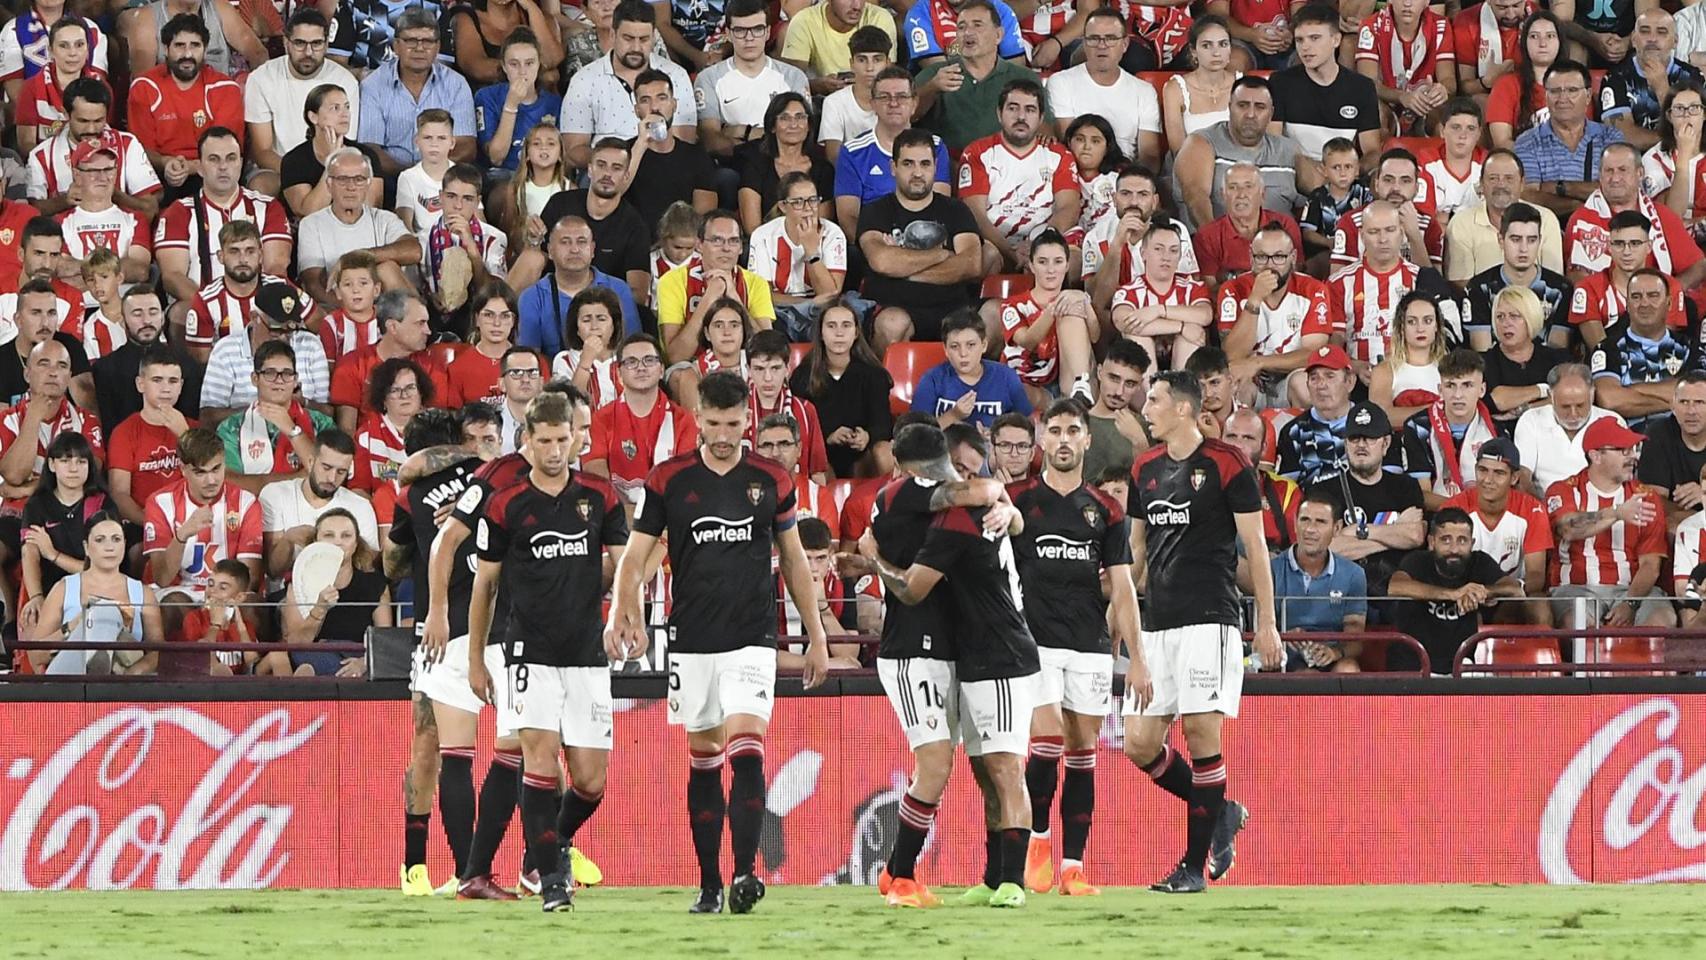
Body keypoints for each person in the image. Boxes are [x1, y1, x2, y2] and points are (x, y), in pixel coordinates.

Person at [606, 371, 830, 914]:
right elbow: (635, 556)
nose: (724, 434)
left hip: (752, 638)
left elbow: (795, 559)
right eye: (714, 423)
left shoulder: (771, 479)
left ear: (746, 420)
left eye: (733, 423)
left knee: (748, 753)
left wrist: (816, 634)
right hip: (693, 639)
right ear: (698, 420)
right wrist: (623, 606)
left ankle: (746, 874)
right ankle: (709, 882)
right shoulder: (668, 480)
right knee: (704, 759)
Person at [864, 435, 1041, 908]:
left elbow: (915, 587)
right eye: (960, 468)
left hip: (999, 655)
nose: (966, 478)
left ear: (902, 464)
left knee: (999, 767)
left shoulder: (957, 518)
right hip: (936, 653)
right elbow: (981, 495)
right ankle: (920, 877)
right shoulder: (909, 498)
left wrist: (1008, 507)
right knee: (965, 767)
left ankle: (1006, 881)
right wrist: (1004, 502)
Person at [466, 389, 625, 912]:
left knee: (589, 780)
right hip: (527, 650)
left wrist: (634, 616)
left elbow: (627, 565)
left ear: (577, 438)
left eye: (564, 439)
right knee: (537, 760)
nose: (556, 450)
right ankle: (553, 879)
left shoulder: (600, 497)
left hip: (586, 651)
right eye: (545, 440)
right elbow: (485, 585)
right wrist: (474, 658)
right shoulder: (505, 503)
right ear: (527, 442)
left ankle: (543, 852)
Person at [1122, 370, 1276, 893]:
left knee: (1200, 736)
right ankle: (1221, 810)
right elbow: (1136, 553)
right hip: (1157, 624)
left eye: (1156, 400)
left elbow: (1255, 547)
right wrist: (1118, 614)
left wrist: (1268, 626)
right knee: (1140, 744)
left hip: (1210, 618)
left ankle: (1192, 867)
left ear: (1183, 409)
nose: (1147, 407)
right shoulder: (1142, 467)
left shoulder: (1226, 463)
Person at [1003, 399, 1135, 897]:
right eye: (1053, 430)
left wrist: (1136, 657)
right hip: (1032, 642)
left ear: (1085, 440)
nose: (1061, 439)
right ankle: (1038, 840)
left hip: (1089, 644)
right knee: (1048, 738)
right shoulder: (1016, 501)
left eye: (1071, 430)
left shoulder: (1106, 509)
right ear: (1042, 442)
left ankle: (1074, 866)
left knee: (1083, 753)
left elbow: (1122, 587)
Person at [383, 410, 509, 899]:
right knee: (518, 738)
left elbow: (390, 564)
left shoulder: (415, 493)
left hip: (445, 627)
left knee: (432, 746)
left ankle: (420, 864)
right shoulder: (485, 477)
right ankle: (542, 857)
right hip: (463, 624)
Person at [858, 130, 983, 349]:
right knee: (892, 323)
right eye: (908, 164)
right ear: (893, 167)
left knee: (996, 314)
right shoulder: (875, 211)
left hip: (954, 308)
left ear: (935, 166)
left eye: (925, 164)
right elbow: (882, 261)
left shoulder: (956, 210)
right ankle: (886, 384)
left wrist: (902, 268)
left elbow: (971, 264)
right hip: (894, 307)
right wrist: (941, 254)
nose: (917, 173)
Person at [1546, 416, 1674, 628]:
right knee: (1576, 624)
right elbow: (1568, 529)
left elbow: (1651, 565)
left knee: (1662, 620)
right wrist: (1617, 513)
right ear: (1596, 456)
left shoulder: (1646, 496)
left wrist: (1630, 603)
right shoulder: (1564, 490)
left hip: (1632, 590)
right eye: (1623, 450)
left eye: (1634, 449)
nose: (1633, 456)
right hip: (1576, 588)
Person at [141, 426, 263, 640]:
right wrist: (183, 534)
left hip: (229, 592)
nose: (211, 481)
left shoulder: (246, 503)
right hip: (181, 591)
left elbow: (249, 578)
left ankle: (253, 670)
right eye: (200, 472)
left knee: (252, 605)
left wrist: (219, 599)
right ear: (183, 468)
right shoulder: (160, 503)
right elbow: (162, 578)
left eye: (216, 469)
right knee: (173, 604)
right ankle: (174, 671)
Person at [1307, 401, 1428, 613]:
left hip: (1396, 595)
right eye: (1354, 438)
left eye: (1370, 437)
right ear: (1345, 444)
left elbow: (1416, 536)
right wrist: (1394, 537)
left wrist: (1359, 532)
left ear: (1386, 443)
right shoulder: (1324, 490)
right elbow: (1326, 549)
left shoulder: (1406, 486)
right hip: (1340, 593)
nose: (1361, 445)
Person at [154, 127, 293, 308]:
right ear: (200, 168)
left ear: (241, 163)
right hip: (200, 308)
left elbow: (275, 268)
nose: (223, 167)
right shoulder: (179, 212)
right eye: (214, 159)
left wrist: (250, 308)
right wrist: (213, 308)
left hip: (258, 308)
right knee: (180, 312)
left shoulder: (268, 207)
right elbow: (173, 276)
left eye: (231, 158)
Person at [958, 78, 1080, 274]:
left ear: (1041, 119)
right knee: (986, 255)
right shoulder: (977, 152)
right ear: (999, 113)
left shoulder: (1059, 155)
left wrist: (1037, 246)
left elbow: (1069, 208)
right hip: (995, 245)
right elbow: (975, 213)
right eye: (1013, 108)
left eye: (1030, 110)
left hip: (1043, 244)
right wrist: (1011, 252)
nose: (1021, 116)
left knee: (1072, 258)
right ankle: (982, 304)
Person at [561, 1, 696, 172]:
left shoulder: (676, 76)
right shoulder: (584, 80)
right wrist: (616, 162)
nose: (636, 48)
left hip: (665, 169)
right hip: (607, 172)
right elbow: (574, 150)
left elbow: (685, 141)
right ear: (613, 35)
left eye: (644, 39)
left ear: (654, 37)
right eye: (628, 39)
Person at [1389, 507, 1525, 674]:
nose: (1454, 549)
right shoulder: (1417, 560)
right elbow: (1395, 586)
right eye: (1446, 540)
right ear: (1432, 542)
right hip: (1414, 667)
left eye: (1462, 540)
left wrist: (1481, 591)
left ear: (1472, 543)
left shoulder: (1479, 561)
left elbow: (1515, 589)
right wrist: (1453, 594)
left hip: (1464, 668)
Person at [26, 513, 163, 677]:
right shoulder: (64, 588)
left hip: (123, 683)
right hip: (67, 682)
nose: (109, 547)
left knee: (105, 612)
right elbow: (35, 655)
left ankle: (100, 677)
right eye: (100, 540)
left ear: (124, 545)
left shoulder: (143, 593)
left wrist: (132, 674)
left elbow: (157, 654)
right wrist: (74, 626)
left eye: (116, 539)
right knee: (102, 611)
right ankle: (96, 675)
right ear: (86, 547)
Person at [125, 14, 246, 197]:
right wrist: (166, 163)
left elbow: (227, 150)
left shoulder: (226, 88)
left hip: (210, 171)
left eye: (195, 46)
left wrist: (189, 167)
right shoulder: (144, 87)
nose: (187, 54)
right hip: (158, 171)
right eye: (179, 46)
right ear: (165, 49)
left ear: (205, 50)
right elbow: (140, 149)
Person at [1173, 75, 1310, 230]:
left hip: (1278, 249)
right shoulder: (1201, 142)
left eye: (1260, 107)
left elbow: (1327, 186)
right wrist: (1218, 241)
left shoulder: (1288, 150)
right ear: (1230, 107)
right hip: (1218, 246)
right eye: (1243, 105)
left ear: (1271, 113)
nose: (1250, 114)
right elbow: (1195, 197)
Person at [912, 2, 1046, 158]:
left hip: (1009, 167)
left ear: (998, 35)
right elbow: (907, 115)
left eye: (977, 25)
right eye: (961, 27)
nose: (968, 32)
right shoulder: (936, 74)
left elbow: (1045, 132)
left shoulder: (1023, 77)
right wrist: (932, 88)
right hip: (948, 171)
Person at [1218, 224, 1331, 408]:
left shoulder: (1314, 290)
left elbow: (1313, 354)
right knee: (1235, 384)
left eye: (1279, 257)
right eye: (1262, 257)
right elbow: (1232, 355)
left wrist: (1259, 363)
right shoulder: (1232, 290)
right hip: (1251, 381)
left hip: (1291, 379)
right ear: (1251, 257)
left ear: (1292, 258)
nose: (1269, 266)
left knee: (1304, 384)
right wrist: (1254, 299)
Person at [1564, 142, 1706, 288]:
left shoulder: (1663, 215)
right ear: (1600, 176)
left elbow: (1698, 266)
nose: (1615, 178)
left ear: (1640, 173)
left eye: (1623, 170)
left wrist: (1668, 295)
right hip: (1605, 307)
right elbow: (1578, 279)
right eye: (1609, 171)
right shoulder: (1582, 219)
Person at [832, 69, 952, 241]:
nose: (893, 103)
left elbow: (940, 206)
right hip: (876, 246)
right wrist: (876, 246)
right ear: (872, 104)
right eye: (884, 97)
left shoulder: (935, 146)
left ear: (914, 103)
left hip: (927, 240)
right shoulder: (852, 152)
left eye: (902, 97)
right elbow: (848, 217)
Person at [296, 149, 422, 306]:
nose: (351, 187)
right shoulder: (311, 224)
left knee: (387, 268)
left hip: (383, 311)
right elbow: (313, 285)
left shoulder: (384, 219)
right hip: (338, 309)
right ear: (329, 185)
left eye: (359, 179)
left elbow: (414, 251)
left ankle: (414, 325)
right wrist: (355, 316)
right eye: (342, 179)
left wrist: (360, 257)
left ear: (368, 184)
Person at [356, 10, 475, 176]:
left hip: (443, 177)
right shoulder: (373, 85)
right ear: (396, 46)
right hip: (391, 176)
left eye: (427, 41)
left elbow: (466, 146)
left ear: (438, 47)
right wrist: (411, 177)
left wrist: (428, 176)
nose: (420, 48)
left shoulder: (456, 84)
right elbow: (370, 149)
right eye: (411, 41)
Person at [243, 9, 361, 175]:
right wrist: (298, 176)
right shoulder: (261, 78)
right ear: (286, 42)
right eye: (300, 43)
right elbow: (263, 151)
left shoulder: (345, 82)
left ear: (327, 44)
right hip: (278, 168)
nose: (308, 52)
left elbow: (346, 143)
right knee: (262, 185)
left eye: (316, 43)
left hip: (330, 167)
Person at [257, 428, 375, 593]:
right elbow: (273, 570)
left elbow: (367, 568)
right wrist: (288, 540)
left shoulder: (360, 506)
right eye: (326, 468)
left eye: (341, 472)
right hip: (287, 597)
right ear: (311, 462)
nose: (332, 478)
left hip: (344, 595)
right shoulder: (275, 494)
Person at [26, 77, 161, 221]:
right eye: (83, 121)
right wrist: (64, 201)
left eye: (98, 121)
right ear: (65, 114)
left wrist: (113, 194)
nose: (91, 129)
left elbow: (150, 210)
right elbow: (30, 214)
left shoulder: (127, 144)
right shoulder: (40, 156)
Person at [585, 334, 699, 503]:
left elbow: (685, 482)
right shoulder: (600, 419)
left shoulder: (683, 421)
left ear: (661, 370)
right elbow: (595, 475)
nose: (641, 367)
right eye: (631, 362)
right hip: (618, 517)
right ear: (619, 374)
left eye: (649, 360)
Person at [18, 432, 113, 633]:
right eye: (65, 461)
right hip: (48, 588)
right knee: (32, 619)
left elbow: (101, 570)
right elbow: (30, 553)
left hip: (95, 590)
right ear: (52, 465)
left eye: (81, 462)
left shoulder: (102, 504)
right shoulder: (37, 505)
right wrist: (36, 597)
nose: (73, 468)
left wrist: (53, 554)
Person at [695, 0, 810, 167]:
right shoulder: (708, 78)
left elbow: (801, 135)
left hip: (784, 166)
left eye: (757, 29)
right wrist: (772, 137)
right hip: (734, 165)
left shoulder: (793, 77)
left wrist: (744, 132)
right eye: (740, 30)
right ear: (728, 34)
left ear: (768, 32)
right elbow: (712, 141)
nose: (749, 38)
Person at [532, 138, 651, 299]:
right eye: (601, 165)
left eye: (616, 168)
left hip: (602, 307)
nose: (607, 174)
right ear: (589, 169)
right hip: (552, 296)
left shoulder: (635, 226)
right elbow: (536, 256)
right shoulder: (560, 203)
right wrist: (531, 238)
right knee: (531, 257)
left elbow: (638, 293)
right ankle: (503, 314)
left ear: (626, 176)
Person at [182, 220, 316, 363]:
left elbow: (318, 321)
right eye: (234, 251)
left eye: (250, 251)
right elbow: (202, 361)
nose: (243, 259)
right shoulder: (206, 301)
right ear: (221, 256)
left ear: (260, 255)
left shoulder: (281, 287)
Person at [1045, 7, 1161, 170]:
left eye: (1110, 38)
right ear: (1084, 43)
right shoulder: (1060, 82)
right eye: (1094, 38)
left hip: (1125, 177)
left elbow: (1149, 155)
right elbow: (1069, 143)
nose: (1102, 45)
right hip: (1078, 175)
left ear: (1125, 44)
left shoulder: (1144, 91)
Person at [1590, 267, 1706, 429]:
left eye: (1653, 296)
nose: (1644, 303)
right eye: (1636, 297)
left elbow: (1700, 395)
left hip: (1679, 443)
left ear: (1669, 303)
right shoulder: (1607, 348)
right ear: (1628, 305)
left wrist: (1630, 391)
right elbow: (1610, 400)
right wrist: (1679, 400)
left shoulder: (1691, 348)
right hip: (1627, 446)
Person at [1441, 437, 1554, 602]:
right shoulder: (1454, 507)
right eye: (1482, 470)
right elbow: (1443, 566)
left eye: (1499, 473)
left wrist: (1495, 591)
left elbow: (1536, 576)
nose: (1488, 480)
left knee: (1539, 604)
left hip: (1512, 596)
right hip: (1463, 595)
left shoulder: (1532, 509)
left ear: (1514, 478)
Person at [280, 508, 390, 676]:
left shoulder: (375, 585)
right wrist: (319, 609)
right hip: (315, 656)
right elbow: (296, 644)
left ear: (356, 544)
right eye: (329, 535)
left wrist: (364, 663)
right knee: (309, 664)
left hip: (360, 659)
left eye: (346, 536)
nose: (337, 542)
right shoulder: (298, 585)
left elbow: (384, 641)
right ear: (316, 541)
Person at [789, 303, 894, 478]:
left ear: (856, 333)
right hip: (821, 455)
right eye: (831, 326)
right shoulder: (802, 376)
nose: (839, 333)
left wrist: (867, 436)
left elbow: (883, 423)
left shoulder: (874, 375)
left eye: (846, 325)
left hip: (863, 456)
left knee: (882, 450)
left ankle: (889, 502)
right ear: (821, 333)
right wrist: (828, 436)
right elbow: (799, 426)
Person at [326, 289, 452, 433]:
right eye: (420, 323)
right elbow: (347, 430)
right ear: (392, 326)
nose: (428, 331)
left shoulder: (432, 364)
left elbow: (437, 423)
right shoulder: (352, 365)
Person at [1269, 5, 1382, 163]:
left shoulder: (1362, 88)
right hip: (1296, 171)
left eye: (1314, 38)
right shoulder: (1280, 83)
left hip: (1342, 176)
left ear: (1336, 40)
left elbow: (1372, 151)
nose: (1305, 47)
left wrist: (1351, 172)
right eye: (1299, 40)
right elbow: (1274, 144)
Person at [657, 211, 775, 363]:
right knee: (681, 375)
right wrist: (708, 299)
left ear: (740, 248)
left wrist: (734, 297)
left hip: (744, 363)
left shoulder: (756, 283)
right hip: (691, 366)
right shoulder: (672, 281)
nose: (726, 248)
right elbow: (676, 357)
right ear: (699, 245)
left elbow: (768, 350)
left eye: (733, 241)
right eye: (717, 240)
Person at [1083, 165, 1199, 320]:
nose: (1134, 202)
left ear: (1154, 201)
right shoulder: (1096, 237)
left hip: (1164, 317)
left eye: (1143, 195)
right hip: (1118, 320)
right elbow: (1097, 302)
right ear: (1114, 198)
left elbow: (1189, 292)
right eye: (1125, 194)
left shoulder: (1175, 232)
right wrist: (1117, 244)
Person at [216, 340, 335, 489]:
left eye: (287, 373)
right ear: (255, 379)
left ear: (295, 380)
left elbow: (327, 475)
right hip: (254, 509)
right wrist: (295, 478)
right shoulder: (231, 427)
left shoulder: (321, 423)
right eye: (270, 373)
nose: (279, 380)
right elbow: (229, 481)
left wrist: (292, 430)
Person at [1269, 489, 1365, 673]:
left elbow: (1356, 638)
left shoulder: (1354, 574)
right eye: (1304, 520)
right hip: (1283, 660)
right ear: (1295, 524)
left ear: (1336, 528)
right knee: (1308, 676)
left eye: (1320, 522)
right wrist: (1284, 636)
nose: (1310, 529)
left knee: (1349, 668)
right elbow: (1259, 628)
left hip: (1330, 658)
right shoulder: (1271, 569)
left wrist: (1335, 652)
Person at [517, 216, 642, 357]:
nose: (574, 249)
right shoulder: (532, 297)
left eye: (581, 242)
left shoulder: (619, 289)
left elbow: (634, 346)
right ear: (550, 251)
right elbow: (529, 358)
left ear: (593, 249)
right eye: (565, 242)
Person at [1514, 60, 1627, 213]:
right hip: (1548, 231)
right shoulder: (1527, 142)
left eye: (1572, 90)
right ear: (1546, 96)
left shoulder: (1611, 137)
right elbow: (1529, 196)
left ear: (1587, 96)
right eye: (1555, 91)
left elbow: (1617, 190)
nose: (1563, 98)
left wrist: (1560, 187)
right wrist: (1579, 208)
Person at [748, 172, 848, 343]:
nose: (808, 208)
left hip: (821, 312)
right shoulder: (763, 236)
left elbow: (830, 294)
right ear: (782, 206)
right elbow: (763, 296)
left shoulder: (833, 234)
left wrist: (812, 252)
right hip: (779, 311)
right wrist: (807, 304)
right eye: (798, 202)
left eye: (813, 200)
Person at [999, 229, 1096, 403]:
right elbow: (1028, 341)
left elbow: (1095, 337)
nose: (1051, 270)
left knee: (1071, 310)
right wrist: (1055, 307)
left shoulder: (1071, 300)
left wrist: (1084, 300)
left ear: (1067, 266)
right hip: (1023, 382)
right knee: (1022, 391)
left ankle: (1080, 387)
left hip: (1061, 380)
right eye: (1043, 262)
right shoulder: (1012, 304)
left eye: (1058, 262)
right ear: (1032, 265)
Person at [1462, 202, 1573, 352]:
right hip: (1496, 373)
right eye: (1516, 239)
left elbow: (1558, 353)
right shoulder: (1479, 288)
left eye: (1531, 240)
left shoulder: (1561, 289)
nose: (1524, 248)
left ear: (1540, 241)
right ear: (1501, 240)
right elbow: (1482, 353)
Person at [106, 344, 194, 531]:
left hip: (191, 521)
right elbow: (119, 494)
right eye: (157, 380)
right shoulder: (124, 432)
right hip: (142, 524)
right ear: (140, 384)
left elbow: (210, 478)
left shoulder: (194, 428)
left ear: (181, 386)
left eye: (172, 381)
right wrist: (152, 522)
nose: (165, 389)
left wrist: (186, 436)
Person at [92, 286, 202, 436]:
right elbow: (109, 430)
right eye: (137, 314)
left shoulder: (187, 365)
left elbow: (193, 423)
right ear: (123, 321)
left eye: (153, 312)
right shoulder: (105, 369)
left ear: (162, 318)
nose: (147, 320)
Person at [1396, 349, 1499, 508]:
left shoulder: (1496, 431)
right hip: (1439, 518)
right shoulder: (1418, 427)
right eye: (1450, 385)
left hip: (1485, 517)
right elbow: (1422, 496)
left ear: (1482, 390)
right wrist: (1464, 509)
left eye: (1467, 385)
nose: (1458, 395)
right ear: (1440, 390)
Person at [621, 69, 719, 235]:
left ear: (674, 105)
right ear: (637, 110)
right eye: (645, 100)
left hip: (681, 246)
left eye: (662, 98)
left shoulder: (695, 156)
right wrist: (641, 144)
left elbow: (703, 217)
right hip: (634, 244)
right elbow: (612, 193)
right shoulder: (623, 153)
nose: (654, 107)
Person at [1445, 149, 1567, 282]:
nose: (1501, 185)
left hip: (1535, 301)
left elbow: (1553, 281)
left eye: (1509, 178)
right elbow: (1460, 284)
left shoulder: (1546, 220)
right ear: (1481, 184)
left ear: (1522, 184)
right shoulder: (1461, 224)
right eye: (1493, 178)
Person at [1110, 223, 1213, 370]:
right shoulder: (1129, 291)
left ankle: (1181, 390)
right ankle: (1151, 392)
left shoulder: (1192, 287)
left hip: (1183, 356)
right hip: (1141, 370)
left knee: (1192, 334)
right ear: (1143, 253)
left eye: (1173, 251)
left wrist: (1159, 310)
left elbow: (1205, 315)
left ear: (1180, 256)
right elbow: (1124, 322)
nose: (1166, 257)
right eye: (1158, 249)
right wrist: (1181, 326)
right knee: (1138, 337)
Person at [1599, 9, 1702, 152]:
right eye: (1645, 31)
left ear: (1675, 42)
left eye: (1662, 32)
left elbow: (1700, 133)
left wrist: (1662, 89)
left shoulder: (1692, 77)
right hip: (1635, 164)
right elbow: (1623, 137)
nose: (1652, 38)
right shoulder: (1615, 78)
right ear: (1634, 40)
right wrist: (1676, 139)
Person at [912, 308, 1032, 430]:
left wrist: (996, 437)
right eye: (954, 346)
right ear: (946, 350)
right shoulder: (932, 379)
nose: (963, 353)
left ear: (984, 345)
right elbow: (918, 435)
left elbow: (1025, 428)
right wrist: (953, 415)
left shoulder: (1007, 377)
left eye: (971, 345)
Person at [1513, 363, 1625, 493]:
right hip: (1545, 506)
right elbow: (1522, 477)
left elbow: (1621, 479)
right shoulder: (1531, 420)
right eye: (1565, 407)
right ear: (1551, 396)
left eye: (1580, 406)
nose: (1573, 414)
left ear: (1592, 394)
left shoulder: (1613, 423)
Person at [57, 137, 152, 288]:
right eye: (93, 170)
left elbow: (139, 270)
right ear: (77, 175)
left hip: (125, 306)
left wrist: (83, 272)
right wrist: (116, 273)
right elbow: (63, 270)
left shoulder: (135, 219)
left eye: (108, 169)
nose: (102, 177)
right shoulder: (60, 222)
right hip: (80, 307)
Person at [1330, 149, 1445, 273]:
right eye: (1388, 180)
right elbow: (1337, 283)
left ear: (1416, 188)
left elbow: (1435, 287)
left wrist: (1415, 236)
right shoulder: (1351, 223)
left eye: (1405, 181)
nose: (1396, 188)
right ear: (1377, 184)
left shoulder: (1429, 225)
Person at [279, 84, 384, 219]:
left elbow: (370, 210)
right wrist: (333, 161)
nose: (345, 114)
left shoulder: (366, 156)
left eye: (347, 107)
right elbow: (309, 213)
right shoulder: (294, 160)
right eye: (335, 108)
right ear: (313, 117)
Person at [738, 94, 835, 237]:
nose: (793, 124)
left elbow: (823, 224)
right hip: (766, 247)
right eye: (784, 118)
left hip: (811, 243)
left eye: (800, 117)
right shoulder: (754, 164)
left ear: (809, 126)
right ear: (772, 126)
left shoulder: (823, 169)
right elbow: (752, 228)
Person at [1481, 286, 1572, 437]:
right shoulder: (1481, 362)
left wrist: (1523, 410)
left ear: (1531, 318)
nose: (1506, 323)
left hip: (1550, 437)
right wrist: (1542, 390)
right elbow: (1497, 399)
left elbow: (1569, 400)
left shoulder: (1557, 359)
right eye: (1500, 317)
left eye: (1514, 316)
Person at [1194, 163, 1306, 284]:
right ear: (1223, 195)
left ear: (1262, 194)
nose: (1241, 195)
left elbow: (1295, 276)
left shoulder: (1285, 225)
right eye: (1233, 187)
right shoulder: (1207, 236)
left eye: (1248, 186)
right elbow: (1210, 289)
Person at [14, 17, 108, 159]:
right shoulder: (31, 88)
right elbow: (26, 145)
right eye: (64, 46)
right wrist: (57, 166)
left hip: (92, 166)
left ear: (88, 50)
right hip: (45, 167)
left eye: (79, 44)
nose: (72, 53)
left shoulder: (102, 87)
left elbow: (106, 137)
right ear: (51, 51)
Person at [421, 165, 508, 317]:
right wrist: (428, 297)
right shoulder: (423, 238)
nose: (458, 206)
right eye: (451, 196)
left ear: (477, 202)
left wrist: (473, 250)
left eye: (467, 199)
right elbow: (411, 292)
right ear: (440, 197)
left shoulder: (494, 238)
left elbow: (493, 295)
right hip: (431, 317)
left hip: (476, 316)